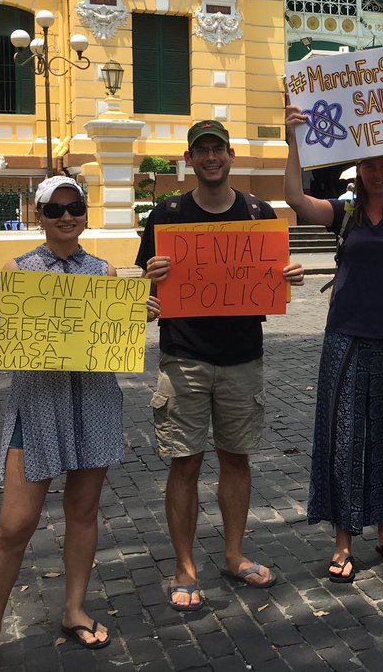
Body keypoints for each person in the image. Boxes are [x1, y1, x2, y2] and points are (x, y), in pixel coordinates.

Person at [0, 177, 161, 672]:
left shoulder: (103, 271)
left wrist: (141, 315)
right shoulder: (19, 271)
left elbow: (114, 336)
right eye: (55, 210)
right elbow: (7, 350)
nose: (67, 217)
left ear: (85, 213)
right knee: (14, 525)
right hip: (38, 406)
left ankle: (73, 608)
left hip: (92, 401)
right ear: (39, 214)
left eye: (76, 208)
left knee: (84, 511)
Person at [137, 121, 305, 611]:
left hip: (242, 358)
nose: (210, 157)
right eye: (201, 151)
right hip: (183, 356)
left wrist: (289, 274)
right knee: (184, 463)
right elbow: (147, 288)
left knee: (237, 459)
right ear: (189, 160)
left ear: (230, 155)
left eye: (217, 149)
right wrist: (149, 278)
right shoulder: (166, 214)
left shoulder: (258, 212)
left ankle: (234, 555)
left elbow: (274, 277)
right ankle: (184, 566)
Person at [284, 104, 383, 584]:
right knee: (345, 438)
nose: (377, 171)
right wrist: (293, 139)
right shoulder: (346, 213)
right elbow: (295, 198)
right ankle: (343, 540)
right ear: (359, 171)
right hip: (346, 338)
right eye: (370, 164)